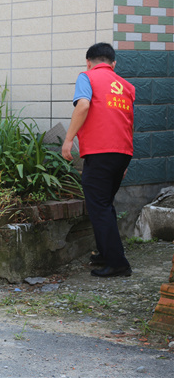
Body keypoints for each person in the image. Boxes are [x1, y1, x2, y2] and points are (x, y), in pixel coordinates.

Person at [62, 42, 135, 278]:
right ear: (113, 64)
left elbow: (83, 105)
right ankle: (107, 254)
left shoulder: (87, 77)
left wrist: (69, 139)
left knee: (99, 207)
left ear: (88, 62)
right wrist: (123, 158)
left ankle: (118, 264)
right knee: (105, 205)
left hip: (100, 152)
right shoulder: (126, 86)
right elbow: (128, 121)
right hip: (122, 152)